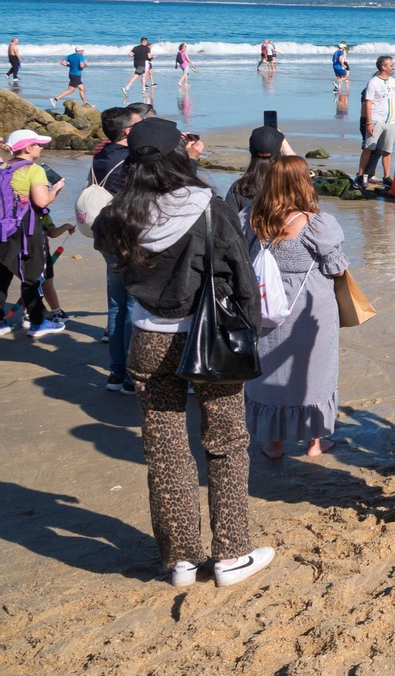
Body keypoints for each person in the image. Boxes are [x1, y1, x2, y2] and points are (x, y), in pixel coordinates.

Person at [91, 117, 274, 588]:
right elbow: (242, 276)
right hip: (209, 335)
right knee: (226, 442)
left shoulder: (118, 214)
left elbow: (113, 260)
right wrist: (250, 332)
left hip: (148, 336)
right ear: (178, 153)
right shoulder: (209, 207)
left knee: (164, 448)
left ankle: (181, 560)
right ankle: (231, 554)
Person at [244, 155, 348, 458]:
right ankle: (315, 442)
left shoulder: (251, 219)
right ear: (304, 183)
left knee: (268, 374)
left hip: (265, 306)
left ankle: (274, 442)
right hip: (308, 309)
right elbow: (337, 269)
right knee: (313, 373)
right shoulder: (316, 225)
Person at [1, 129, 67, 337]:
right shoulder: (35, 170)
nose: (41, 147)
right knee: (32, 275)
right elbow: (41, 201)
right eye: (38, 144)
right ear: (28, 148)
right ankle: (37, 322)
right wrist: (56, 190)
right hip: (27, 228)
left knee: (2, 274)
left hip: (3, 227)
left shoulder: (3, 166)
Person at [91, 107, 140, 388]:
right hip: (127, 237)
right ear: (128, 131)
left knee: (117, 305)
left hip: (105, 234)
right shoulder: (129, 160)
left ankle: (116, 372)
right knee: (132, 305)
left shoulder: (101, 154)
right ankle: (130, 376)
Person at [356, 56, 395, 189]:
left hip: (390, 122)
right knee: (369, 148)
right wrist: (369, 122)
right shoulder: (373, 82)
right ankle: (360, 176)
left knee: (387, 150)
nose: (393, 67)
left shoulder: (394, 82)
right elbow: (368, 103)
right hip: (376, 120)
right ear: (383, 67)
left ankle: (386, 177)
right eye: (391, 65)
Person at [225, 126, 293, 213]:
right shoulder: (290, 184)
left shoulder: (239, 188)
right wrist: (287, 150)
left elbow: (228, 219)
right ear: (280, 149)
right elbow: (301, 172)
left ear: (250, 150)